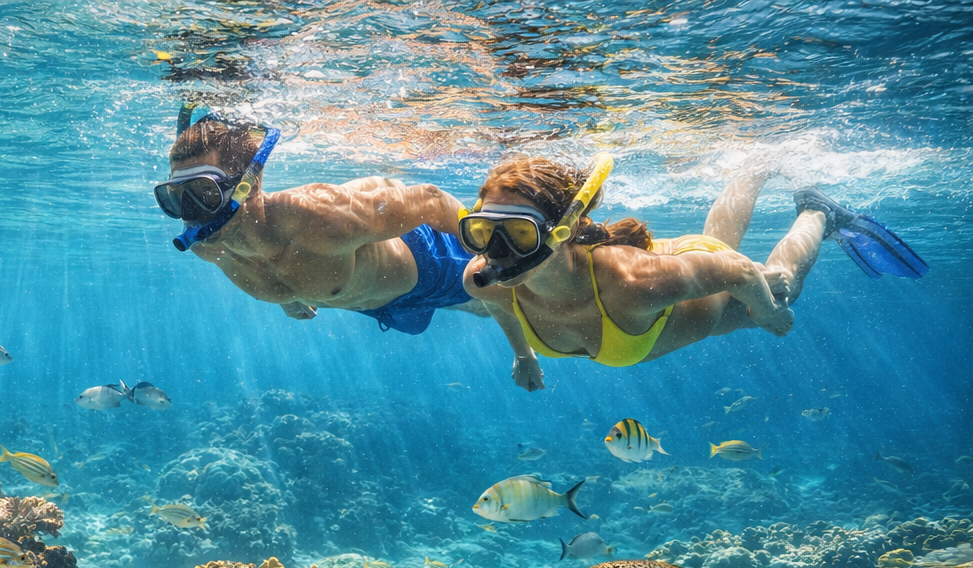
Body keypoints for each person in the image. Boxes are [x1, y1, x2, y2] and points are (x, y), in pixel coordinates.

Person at [458, 154, 927, 390]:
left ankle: (817, 212)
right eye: (481, 231)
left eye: (517, 234)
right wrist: (524, 356)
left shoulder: (631, 284)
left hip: (713, 287)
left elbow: (734, 270)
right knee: (719, 245)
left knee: (782, 289)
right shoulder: (487, 282)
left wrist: (765, 313)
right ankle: (755, 167)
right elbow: (503, 311)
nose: (496, 253)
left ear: (564, 230)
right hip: (674, 276)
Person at [153, 109, 488, 335]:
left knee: (493, 297)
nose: (190, 213)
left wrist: (484, 245)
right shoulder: (210, 247)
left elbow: (430, 199)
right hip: (378, 305)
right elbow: (272, 263)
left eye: (204, 193)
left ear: (249, 183)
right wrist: (288, 297)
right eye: (175, 197)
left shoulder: (318, 218)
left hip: (430, 265)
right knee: (443, 314)